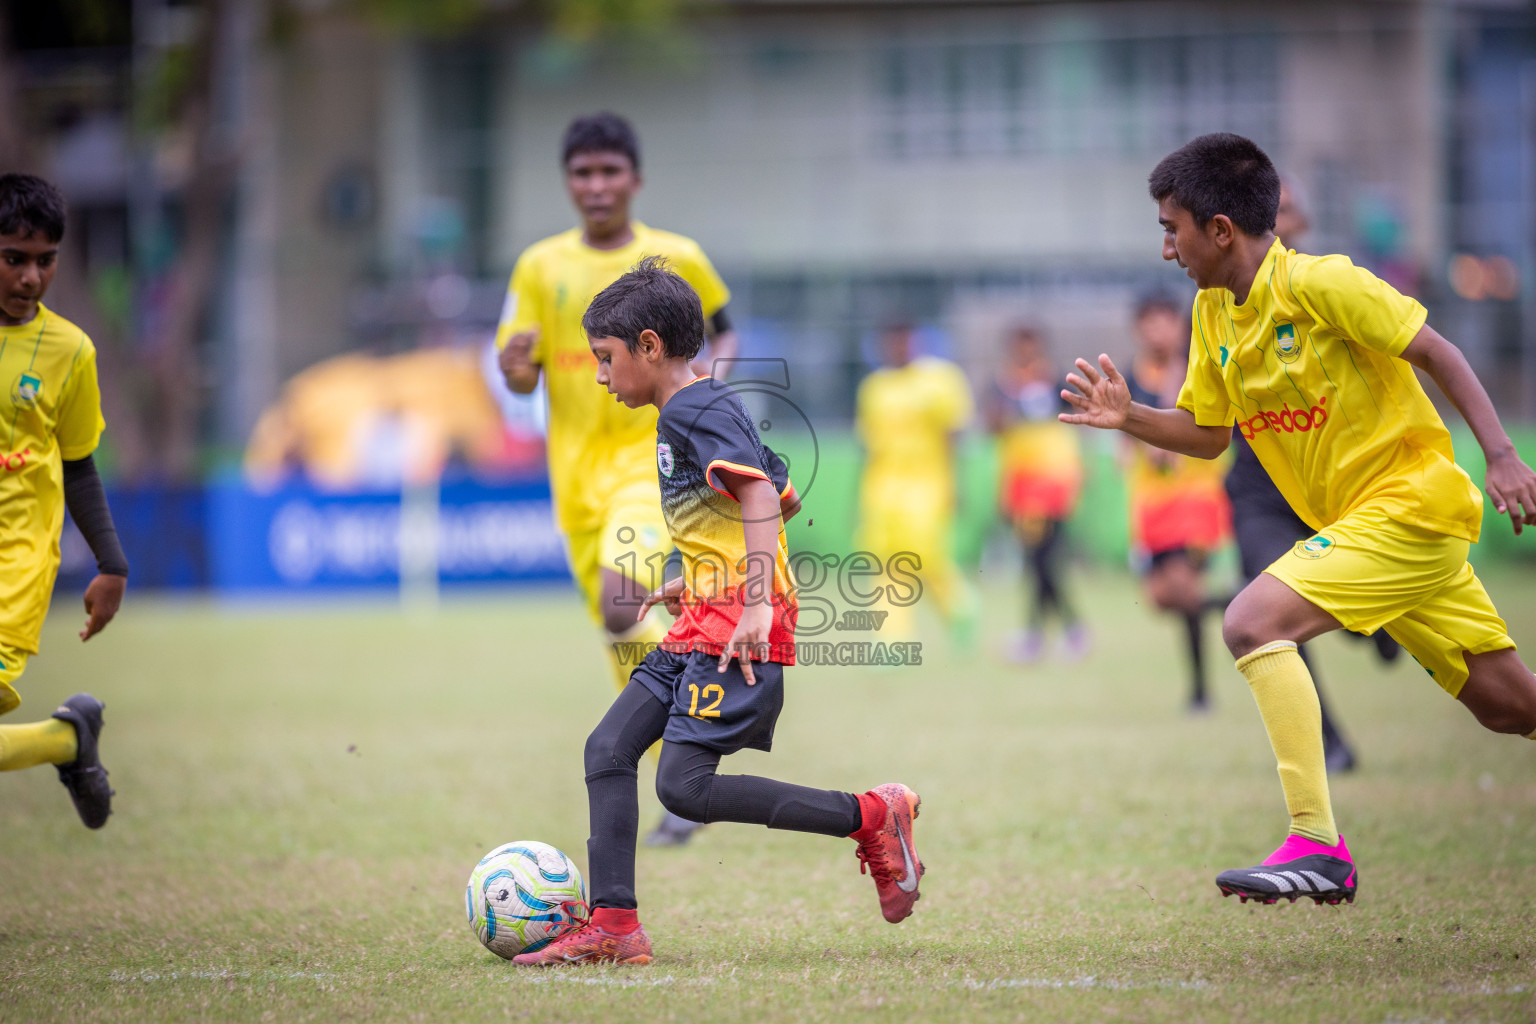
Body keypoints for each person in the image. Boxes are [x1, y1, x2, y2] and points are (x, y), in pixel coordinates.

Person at [1061, 132, 1536, 906]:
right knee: (1507, 705)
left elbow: (1439, 352)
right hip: (1365, 529)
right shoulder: (1213, 312)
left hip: (1410, 507)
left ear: (1219, 230)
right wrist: (1130, 418)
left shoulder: (1325, 284)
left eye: (1170, 228)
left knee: (1251, 620)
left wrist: (1504, 455)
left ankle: (1317, 844)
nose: (1166, 250)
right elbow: (1210, 435)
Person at [512, 258, 925, 965]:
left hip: (740, 624)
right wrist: (699, 577)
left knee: (685, 789)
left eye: (606, 359)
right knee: (608, 750)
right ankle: (615, 925)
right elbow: (781, 495)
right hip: (707, 613)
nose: (601, 376)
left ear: (648, 345)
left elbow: (762, 496)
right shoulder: (704, 404)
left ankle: (872, 815)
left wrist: (755, 598)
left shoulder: (694, 408)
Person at [496, 113, 737, 846]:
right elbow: (518, 372)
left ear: (634, 178)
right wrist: (513, 370)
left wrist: (702, 401)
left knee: (620, 599)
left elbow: (723, 329)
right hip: (572, 483)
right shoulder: (540, 266)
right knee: (620, 634)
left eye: (609, 172)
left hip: (648, 463)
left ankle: (712, 702)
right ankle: (684, 775)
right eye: (582, 173)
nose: (595, 186)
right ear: (567, 182)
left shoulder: (678, 255)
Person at [1222, 176, 1372, 772]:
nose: (1271, 220)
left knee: (1378, 616)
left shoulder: (1329, 288)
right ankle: (1329, 742)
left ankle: (1377, 627)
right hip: (1261, 490)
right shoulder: (1219, 301)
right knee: (1265, 615)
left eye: (1283, 211)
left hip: (1338, 487)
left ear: (1300, 224)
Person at [0, 173, 129, 828]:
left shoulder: (70, 351)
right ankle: (66, 739)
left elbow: (79, 467)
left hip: (14, 564)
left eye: (44, 260)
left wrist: (112, 565)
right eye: (13, 258)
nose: (30, 278)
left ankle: (69, 739)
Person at [1123, 294, 1231, 711]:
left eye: (1165, 321)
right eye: (1148, 323)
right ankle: (1240, 601)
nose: (1158, 331)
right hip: (1152, 505)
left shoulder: (1199, 369)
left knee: (1184, 588)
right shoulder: (1131, 377)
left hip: (1196, 500)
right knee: (1162, 599)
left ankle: (1201, 692)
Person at [854, 324, 977, 648]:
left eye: (904, 339)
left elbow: (953, 436)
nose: (898, 346)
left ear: (915, 340)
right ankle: (892, 641)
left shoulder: (939, 381)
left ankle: (959, 608)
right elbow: (868, 445)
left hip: (928, 483)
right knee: (885, 561)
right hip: (882, 486)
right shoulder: (874, 388)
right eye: (891, 340)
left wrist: (956, 485)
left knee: (924, 554)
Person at [985, 325, 1087, 662]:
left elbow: (1078, 421)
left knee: (1041, 558)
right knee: (1039, 560)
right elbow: (992, 428)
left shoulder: (1057, 380)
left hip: (1054, 478)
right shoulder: (1002, 384)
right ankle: (1064, 630)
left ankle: (1041, 633)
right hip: (1022, 481)